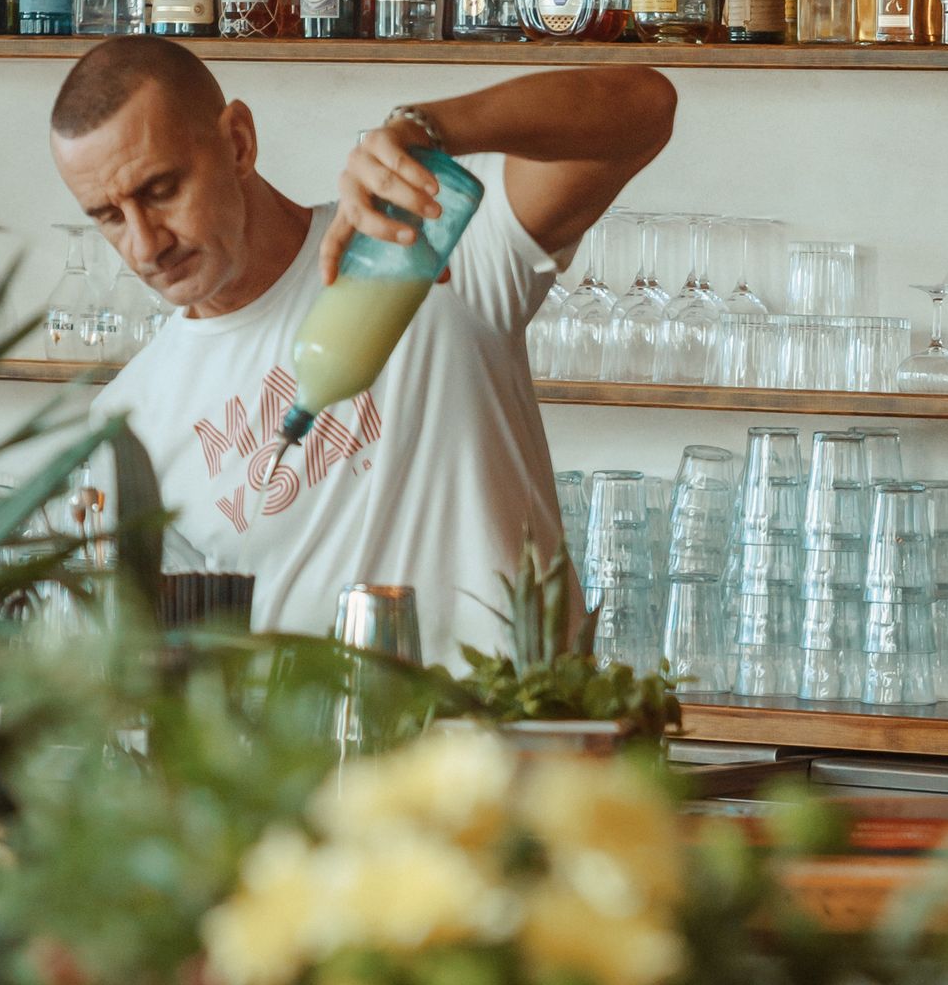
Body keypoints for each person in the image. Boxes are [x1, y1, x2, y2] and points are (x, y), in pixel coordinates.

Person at [48, 36, 674, 663]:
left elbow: (646, 105)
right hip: (310, 754)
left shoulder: (419, 237)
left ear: (237, 141)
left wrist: (435, 127)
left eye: (160, 190)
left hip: (513, 740)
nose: (144, 245)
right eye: (107, 215)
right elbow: (170, 675)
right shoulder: (128, 424)